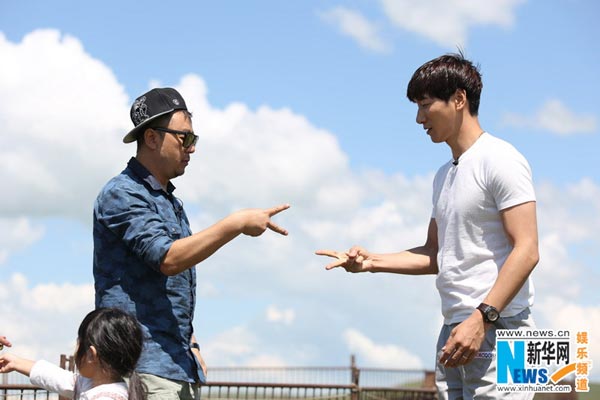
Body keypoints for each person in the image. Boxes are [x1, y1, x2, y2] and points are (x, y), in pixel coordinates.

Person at [316, 52, 539, 400]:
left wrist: (482, 318)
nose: (419, 118)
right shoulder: (443, 175)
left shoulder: (502, 159)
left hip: (504, 326)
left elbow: (527, 250)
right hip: (455, 327)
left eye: (425, 105)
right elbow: (436, 254)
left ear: (459, 100)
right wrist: (370, 262)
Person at [94, 87, 289, 400]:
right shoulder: (122, 194)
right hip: (140, 369)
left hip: (173, 366)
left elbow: (168, 286)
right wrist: (236, 223)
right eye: (184, 138)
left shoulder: (169, 202)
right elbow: (169, 259)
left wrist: (191, 342)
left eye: (193, 139)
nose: (192, 148)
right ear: (152, 138)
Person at [0, 308, 145, 400]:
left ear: (91, 355)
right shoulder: (89, 384)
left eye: (78, 343)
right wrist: (16, 362)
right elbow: (53, 376)